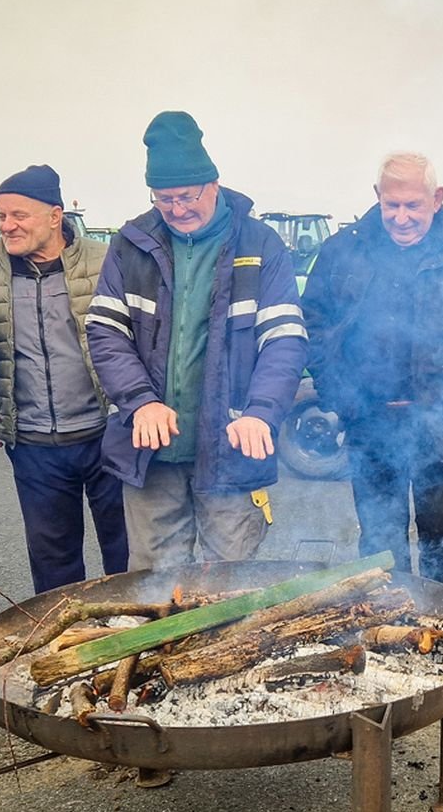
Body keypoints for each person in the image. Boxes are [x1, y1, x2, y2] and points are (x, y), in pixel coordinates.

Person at [85, 111, 306, 571]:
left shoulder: (261, 244)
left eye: (186, 195)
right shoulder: (131, 245)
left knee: (232, 583)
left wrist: (261, 412)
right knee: (154, 585)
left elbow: (284, 339)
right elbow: (106, 331)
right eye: (163, 198)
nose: (177, 208)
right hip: (151, 456)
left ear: (214, 183)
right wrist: (140, 402)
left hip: (230, 450)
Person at [302, 152, 443, 588]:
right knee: (379, 540)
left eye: (412, 206)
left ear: (437, 198)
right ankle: (387, 625)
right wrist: (339, 395)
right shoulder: (344, 251)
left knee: (440, 535)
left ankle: (440, 625)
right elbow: (314, 325)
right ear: (377, 197)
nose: (400, 217)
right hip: (369, 423)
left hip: (441, 423)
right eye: (390, 205)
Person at [0, 164, 127, 593]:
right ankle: (69, 648)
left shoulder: (106, 264)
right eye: (2, 216)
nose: (7, 226)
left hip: (107, 435)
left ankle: (137, 643)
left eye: (19, 215)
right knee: (53, 566)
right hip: (35, 447)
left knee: (127, 555)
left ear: (54, 215)